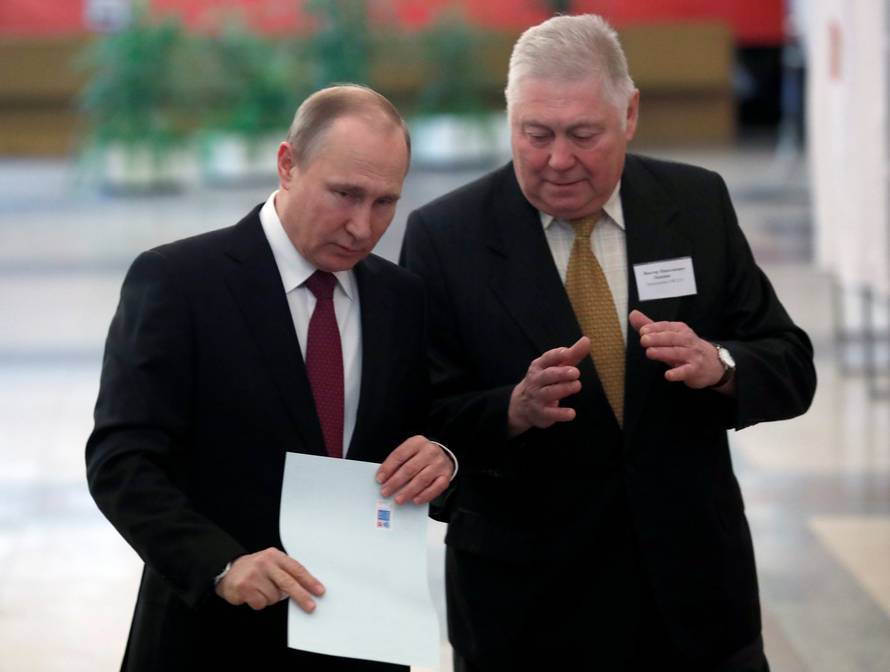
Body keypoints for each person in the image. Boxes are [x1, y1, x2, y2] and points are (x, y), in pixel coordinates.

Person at [400, 14, 816, 672]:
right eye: (534, 135)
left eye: (582, 134)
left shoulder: (695, 204)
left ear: (629, 115)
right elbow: (416, 418)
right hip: (528, 609)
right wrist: (510, 409)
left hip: (695, 598)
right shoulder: (444, 237)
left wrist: (721, 365)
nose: (557, 159)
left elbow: (790, 362)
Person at [86, 84, 455, 672]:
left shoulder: (402, 299)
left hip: (360, 638)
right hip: (211, 636)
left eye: (385, 202)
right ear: (287, 164)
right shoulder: (179, 283)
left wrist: (443, 456)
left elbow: (428, 430)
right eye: (344, 194)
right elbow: (122, 461)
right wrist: (222, 565)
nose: (363, 226)